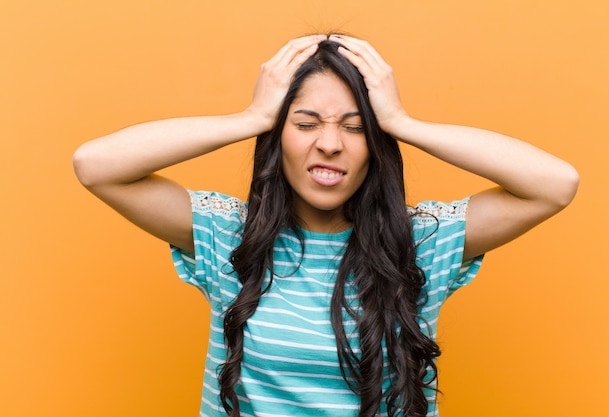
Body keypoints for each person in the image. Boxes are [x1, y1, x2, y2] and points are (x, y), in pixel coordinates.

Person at [73, 34, 579, 417]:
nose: (330, 144)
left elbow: (554, 184)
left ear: (374, 147)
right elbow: (97, 165)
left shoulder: (420, 243)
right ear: (279, 136)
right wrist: (250, 117)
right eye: (307, 123)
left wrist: (403, 123)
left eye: (356, 127)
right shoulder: (229, 237)